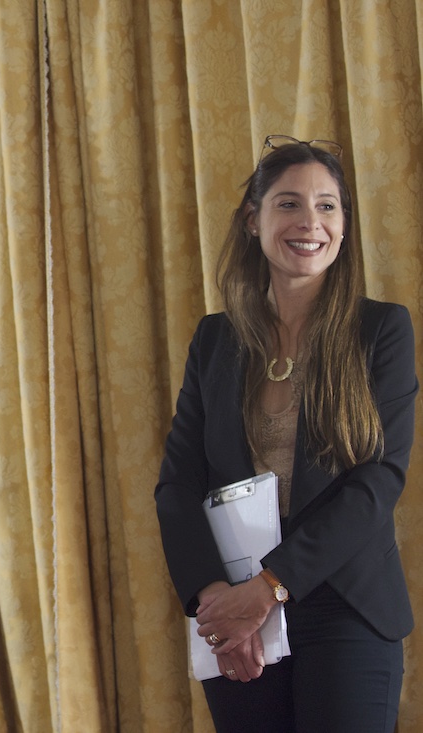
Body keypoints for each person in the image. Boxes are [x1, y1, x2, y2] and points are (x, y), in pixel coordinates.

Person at [155, 136, 416, 732]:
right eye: (289, 204)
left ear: (344, 226)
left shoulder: (380, 330)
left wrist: (271, 587)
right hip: (237, 612)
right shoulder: (214, 340)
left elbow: (377, 483)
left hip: (347, 605)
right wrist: (215, 600)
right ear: (254, 220)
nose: (310, 223)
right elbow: (178, 485)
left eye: (327, 206)